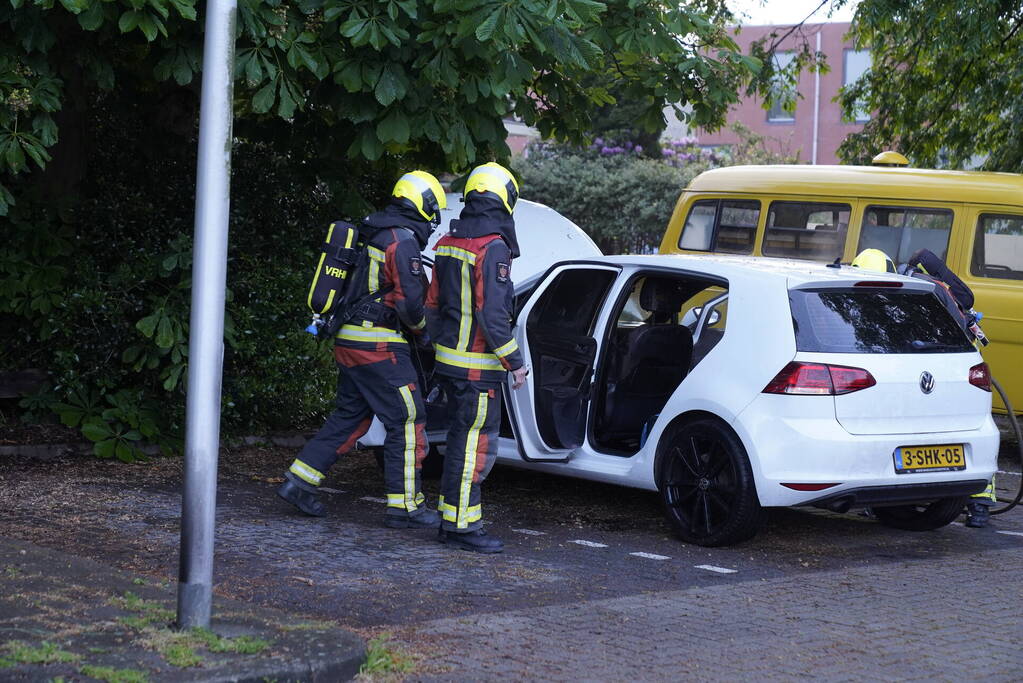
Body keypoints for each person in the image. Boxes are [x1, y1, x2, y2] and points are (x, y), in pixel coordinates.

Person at [277, 171, 446, 529]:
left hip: (351, 341)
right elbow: (411, 306)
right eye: (434, 211)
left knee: (350, 416)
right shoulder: (402, 241)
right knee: (407, 419)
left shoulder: (375, 230)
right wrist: (423, 337)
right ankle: (406, 507)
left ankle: (299, 482)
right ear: (425, 204)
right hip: (379, 346)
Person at [425, 162, 529, 553]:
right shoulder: (493, 247)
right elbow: (493, 316)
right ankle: (462, 528)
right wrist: (515, 363)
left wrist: (441, 346)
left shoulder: (449, 243)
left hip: (449, 365)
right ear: (505, 198)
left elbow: (432, 304)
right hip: (478, 371)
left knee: (457, 444)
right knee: (475, 449)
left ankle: (450, 520)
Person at [853, 247, 997, 527]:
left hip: (955, 367)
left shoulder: (926, 288)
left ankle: (979, 503)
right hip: (936, 367)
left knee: (968, 432)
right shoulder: (893, 291)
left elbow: (958, 313)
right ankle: (892, 497)